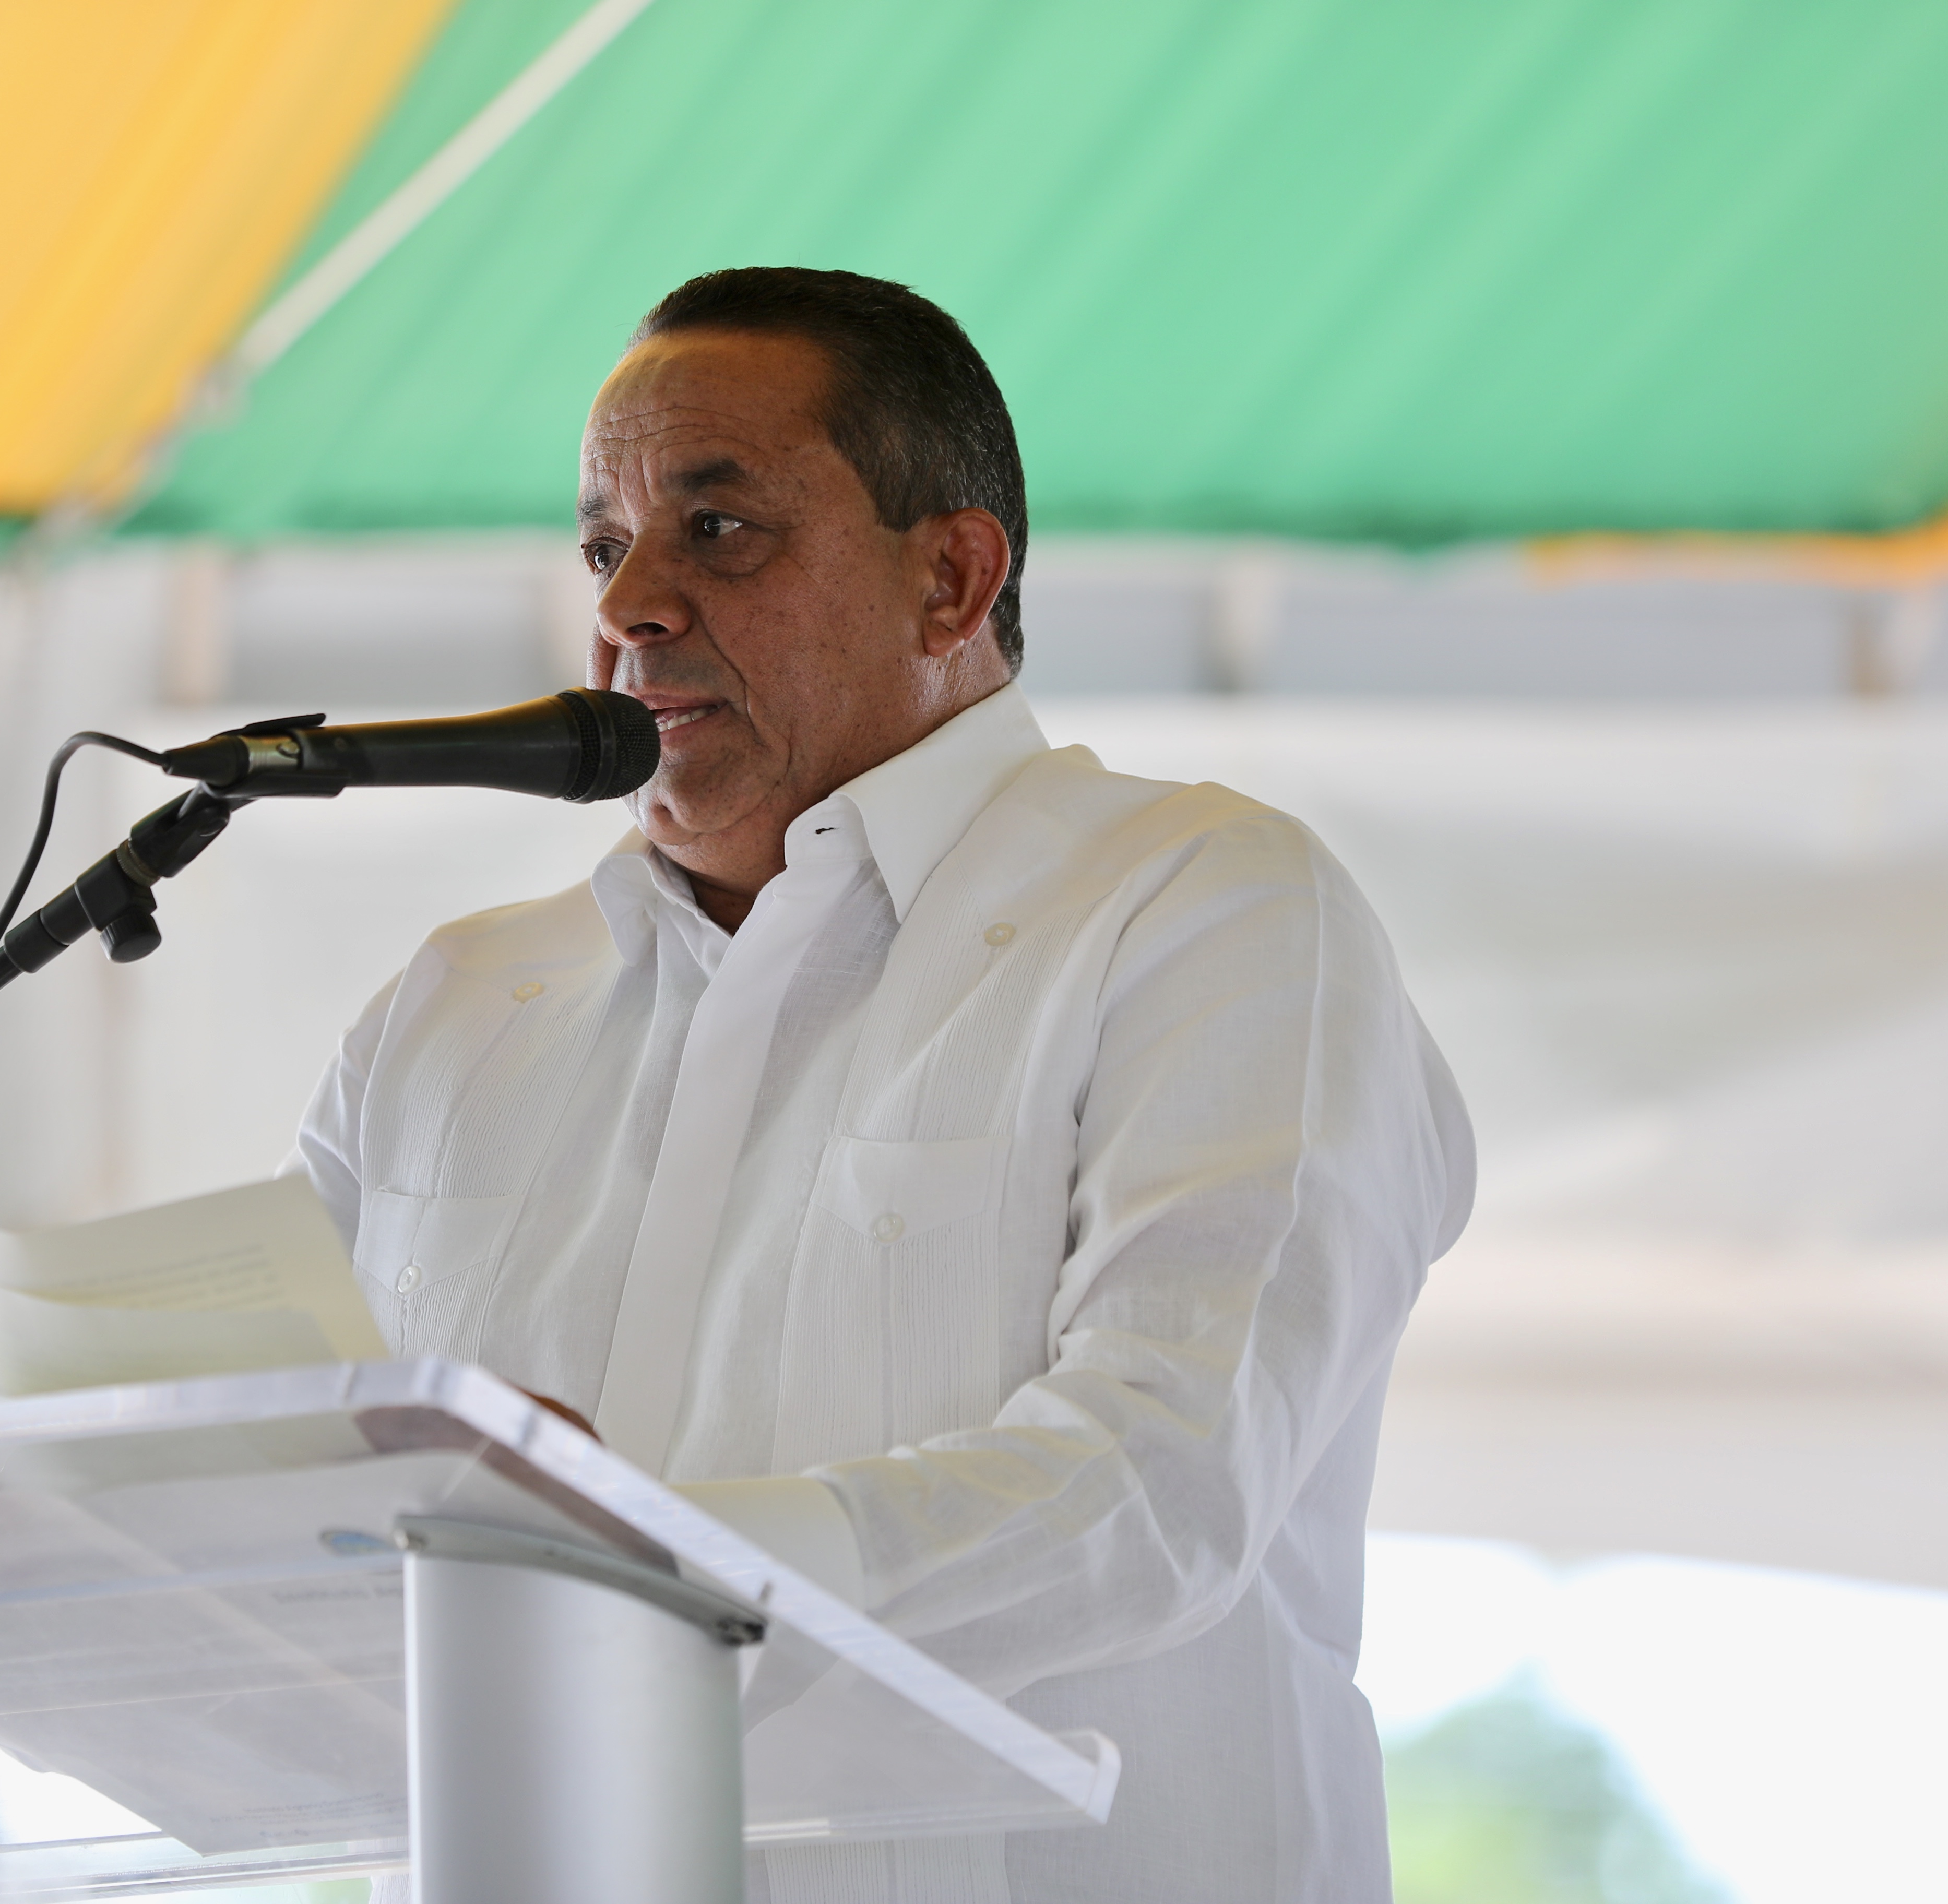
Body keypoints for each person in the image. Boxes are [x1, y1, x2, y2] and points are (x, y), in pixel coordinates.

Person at [297, 267, 1473, 1902]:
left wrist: (641, 1576)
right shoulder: (456, 1005)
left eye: (719, 530)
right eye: (603, 546)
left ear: (951, 578)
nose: (630, 605)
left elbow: (1161, 1488)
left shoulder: (1201, 906)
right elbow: (278, 1518)